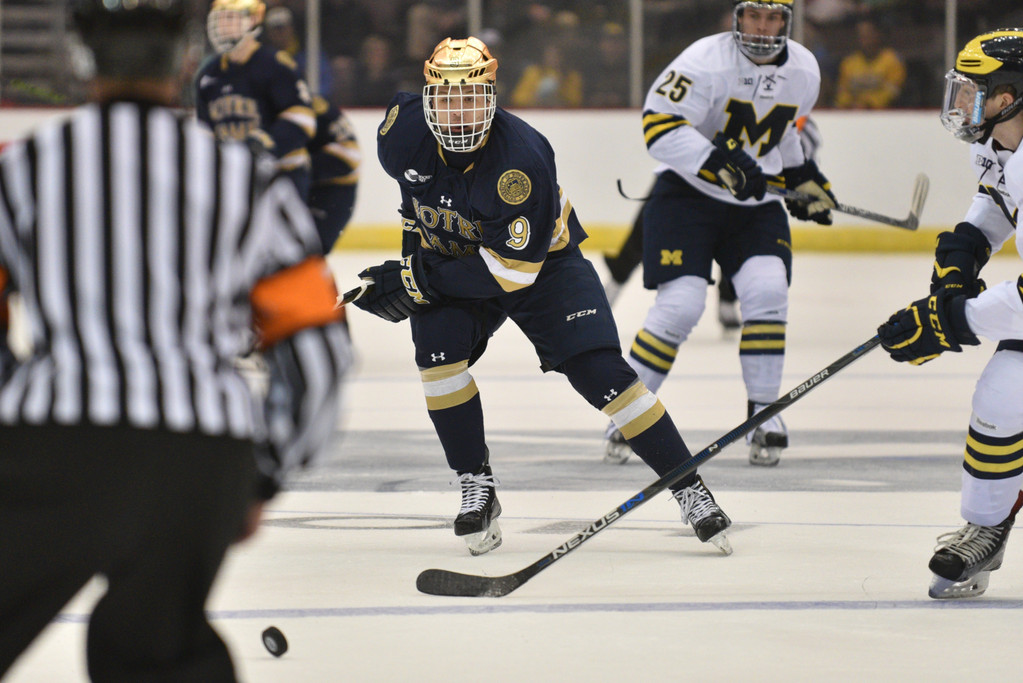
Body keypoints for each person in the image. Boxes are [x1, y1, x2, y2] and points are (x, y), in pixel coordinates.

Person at [0, 0, 351, 679]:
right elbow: (317, 351)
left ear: (80, 60)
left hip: (52, 443)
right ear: (187, 62)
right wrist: (262, 474)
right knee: (157, 657)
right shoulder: (246, 180)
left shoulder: (23, 168)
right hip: (199, 457)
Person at [353, 36, 733, 557]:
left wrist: (418, 280)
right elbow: (413, 204)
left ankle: (688, 485)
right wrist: (410, 265)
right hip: (453, 257)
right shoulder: (402, 132)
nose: (459, 113)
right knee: (437, 359)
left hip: (541, 265)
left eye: (471, 98)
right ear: (427, 99)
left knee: (602, 374)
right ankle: (476, 484)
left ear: (492, 96)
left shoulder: (521, 159)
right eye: (446, 99)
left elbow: (510, 272)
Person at [602, 0, 835, 467]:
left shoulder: (804, 70)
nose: (762, 27)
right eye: (754, 15)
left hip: (755, 206)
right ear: (737, 16)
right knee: (680, 306)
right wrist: (718, 165)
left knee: (768, 291)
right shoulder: (703, 61)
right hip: (686, 198)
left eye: (773, 17)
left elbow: (783, 131)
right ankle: (629, 414)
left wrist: (802, 175)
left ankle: (765, 414)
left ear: (788, 21)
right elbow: (658, 127)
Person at [877, 28, 1023, 600]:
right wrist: (962, 258)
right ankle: (986, 528)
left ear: (1007, 97)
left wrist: (948, 323)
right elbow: (997, 200)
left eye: (972, 90)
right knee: (1001, 397)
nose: (960, 101)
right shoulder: (1000, 139)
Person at [196, 0, 316, 201]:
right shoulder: (208, 75)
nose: (222, 25)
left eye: (230, 18)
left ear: (253, 19)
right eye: (219, 18)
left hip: (282, 179)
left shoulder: (276, 65)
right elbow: (205, 132)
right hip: (233, 180)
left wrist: (264, 145)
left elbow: (302, 120)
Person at [833, 18, 907, 109]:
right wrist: (848, 104)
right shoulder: (848, 62)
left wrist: (868, 103)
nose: (864, 39)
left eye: (868, 34)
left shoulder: (893, 60)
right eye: (861, 35)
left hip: (883, 112)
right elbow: (842, 92)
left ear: (878, 34)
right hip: (852, 112)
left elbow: (892, 92)